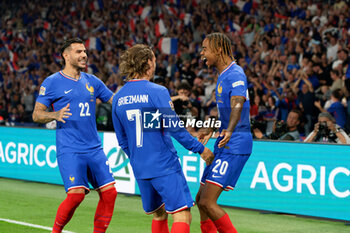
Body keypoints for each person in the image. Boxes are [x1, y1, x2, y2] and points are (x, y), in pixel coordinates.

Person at [111, 44, 214, 233]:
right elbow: (175, 128)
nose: (155, 65)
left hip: (140, 167)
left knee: (159, 214)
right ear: (147, 63)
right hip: (163, 164)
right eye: (154, 61)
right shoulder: (157, 91)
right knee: (182, 214)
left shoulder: (118, 98)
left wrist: (137, 157)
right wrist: (201, 149)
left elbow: (123, 140)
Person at [32, 38, 117, 233]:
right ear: (66, 55)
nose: (84, 55)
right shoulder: (52, 82)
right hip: (70, 148)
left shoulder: (92, 81)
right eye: (78, 51)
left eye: (85, 51)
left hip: (94, 148)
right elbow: (37, 114)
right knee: (76, 195)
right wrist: (55, 114)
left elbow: (115, 101)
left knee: (110, 193)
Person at [196, 32, 253, 233]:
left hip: (235, 142)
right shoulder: (223, 75)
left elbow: (238, 104)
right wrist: (211, 127)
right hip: (223, 140)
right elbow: (226, 111)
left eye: (205, 48)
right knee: (200, 200)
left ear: (219, 49)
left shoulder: (235, 74)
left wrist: (229, 130)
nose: (202, 53)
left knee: (208, 201)